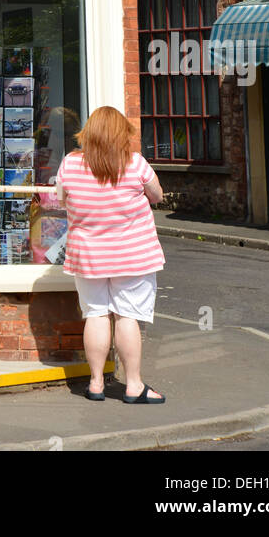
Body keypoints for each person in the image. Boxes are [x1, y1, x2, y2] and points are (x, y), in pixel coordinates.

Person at [55, 105, 166, 404]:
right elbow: (157, 196)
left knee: (95, 314)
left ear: (88, 134)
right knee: (127, 316)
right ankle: (133, 386)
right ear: (122, 134)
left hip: (88, 256)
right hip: (133, 256)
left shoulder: (70, 164)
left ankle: (95, 384)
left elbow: (62, 199)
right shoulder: (135, 163)